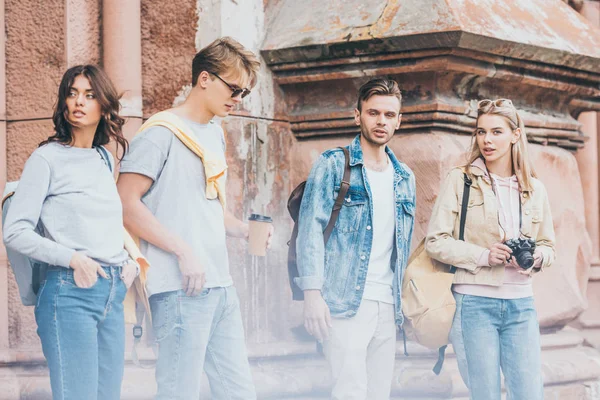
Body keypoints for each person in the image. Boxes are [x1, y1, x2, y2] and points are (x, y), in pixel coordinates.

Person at [117, 37, 269, 400]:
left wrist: (244, 230)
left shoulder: (214, 133)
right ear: (204, 79)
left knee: (239, 392)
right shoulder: (159, 133)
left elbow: (210, 210)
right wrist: (184, 252)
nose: (237, 99)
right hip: (178, 287)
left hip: (220, 285)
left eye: (244, 93)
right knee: (177, 392)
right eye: (234, 88)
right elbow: (124, 202)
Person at [3, 64, 138, 400]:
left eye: (90, 95)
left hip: (112, 291)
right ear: (64, 102)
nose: (79, 101)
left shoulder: (104, 158)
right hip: (69, 291)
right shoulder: (46, 158)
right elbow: (15, 231)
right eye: (72, 93)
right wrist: (73, 258)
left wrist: (130, 259)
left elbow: (102, 222)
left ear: (104, 106)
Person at [425, 98, 556, 399]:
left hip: (521, 305)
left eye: (496, 132)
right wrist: (484, 255)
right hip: (474, 305)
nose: (487, 140)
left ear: (515, 134)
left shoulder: (535, 189)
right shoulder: (460, 181)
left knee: (529, 394)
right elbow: (436, 241)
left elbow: (549, 245)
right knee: (484, 395)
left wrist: (536, 257)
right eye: (481, 132)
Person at [295, 77, 416, 400]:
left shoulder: (405, 177)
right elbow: (310, 231)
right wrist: (312, 294)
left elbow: (401, 246)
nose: (381, 121)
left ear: (399, 120)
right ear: (357, 115)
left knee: (379, 394)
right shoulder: (334, 164)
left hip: (387, 304)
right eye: (374, 113)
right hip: (344, 301)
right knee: (349, 392)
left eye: (390, 115)